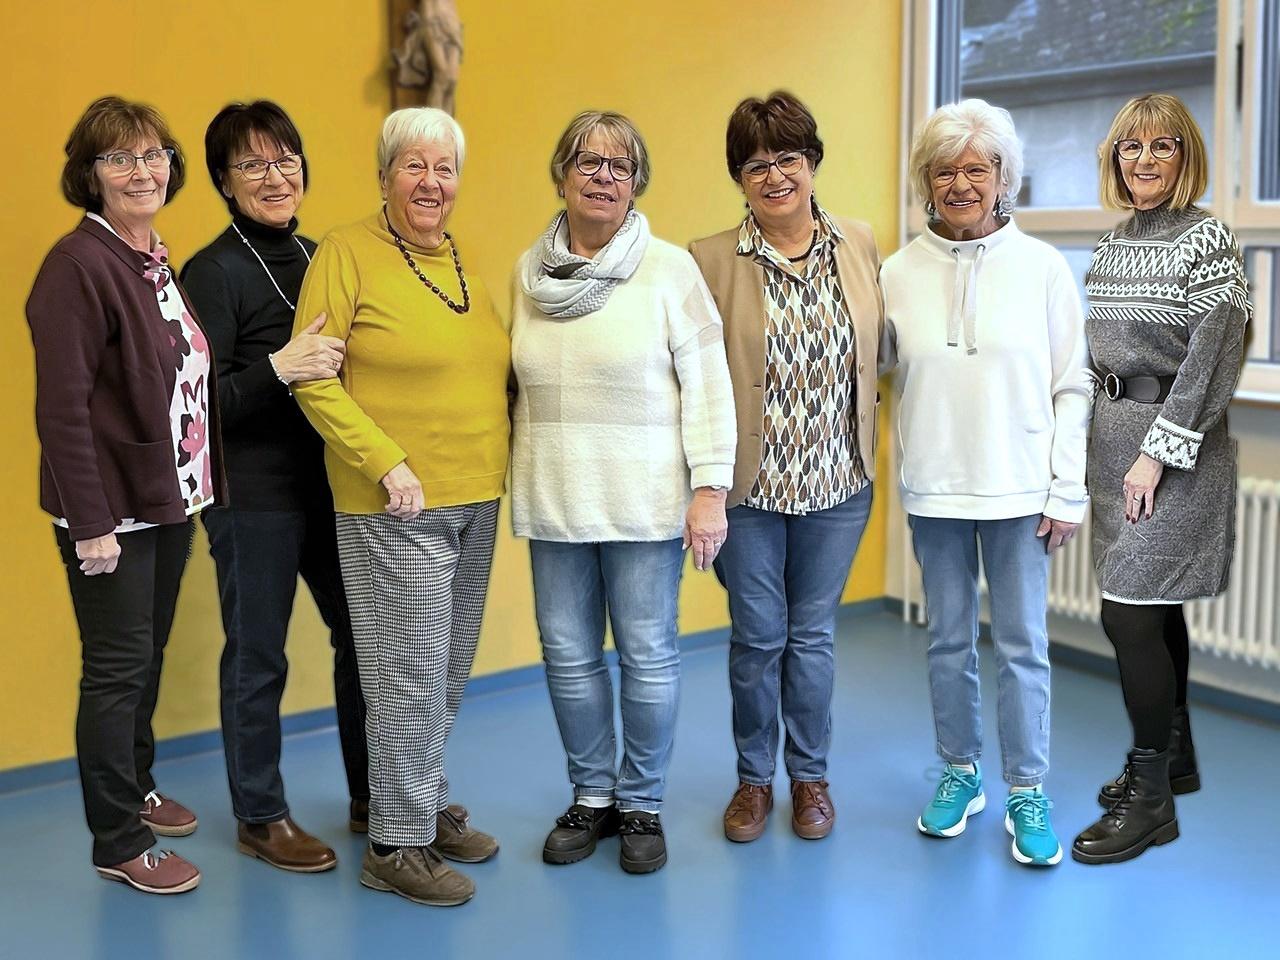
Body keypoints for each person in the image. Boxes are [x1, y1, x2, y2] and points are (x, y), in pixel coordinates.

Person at [291, 107, 510, 906]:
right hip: (394, 504)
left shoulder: (462, 257)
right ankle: (395, 843)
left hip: (475, 493)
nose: (431, 182)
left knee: (444, 674)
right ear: (384, 176)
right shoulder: (343, 254)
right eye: (414, 166)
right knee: (404, 676)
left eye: (444, 168)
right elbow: (313, 378)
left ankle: (416, 803)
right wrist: (387, 463)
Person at [512, 110, 736, 874]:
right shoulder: (528, 275)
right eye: (587, 161)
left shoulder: (669, 270)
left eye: (620, 164)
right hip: (553, 495)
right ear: (561, 175)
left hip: (643, 502)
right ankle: (593, 797)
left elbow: (709, 385)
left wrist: (710, 488)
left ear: (637, 182)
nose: (603, 175)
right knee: (569, 656)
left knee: (646, 654)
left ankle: (642, 802)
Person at [880, 99, 1090, 867]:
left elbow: (1075, 385)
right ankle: (961, 773)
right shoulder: (897, 273)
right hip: (936, 489)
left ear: (1005, 178)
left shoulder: (1043, 270)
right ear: (925, 182)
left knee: (1024, 648)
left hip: (1021, 496)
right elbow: (870, 371)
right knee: (946, 644)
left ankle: (1026, 788)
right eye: (946, 170)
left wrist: (1067, 490)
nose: (962, 183)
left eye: (978, 168)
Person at [26, 96, 226, 894]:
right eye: (119, 159)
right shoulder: (77, 266)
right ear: (90, 174)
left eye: (152, 156)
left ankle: (135, 787)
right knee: (114, 670)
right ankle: (116, 839)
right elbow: (62, 407)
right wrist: (91, 523)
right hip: (111, 511)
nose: (140, 171)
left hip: (169, 499)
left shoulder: (150, 257)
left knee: (143, 659)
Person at [180, 100, 369, 874]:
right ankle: (260, 815)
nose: (274, 176)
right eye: (252, 164)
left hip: (330, 487)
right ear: (225, 182)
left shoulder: (323, 256)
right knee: (259, 657)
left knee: (364, 642)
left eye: (285, 158)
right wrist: (277, 369)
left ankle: (376, 795)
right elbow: (194, 408)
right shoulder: (212, 270)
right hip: (249, 495)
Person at [689, 91, 881, 844]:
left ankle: (810, 780)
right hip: (751, 494)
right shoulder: (709, 261)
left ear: (813, 162)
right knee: (758, 638)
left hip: (839, 485)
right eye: (756, 164)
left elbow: (880, 351)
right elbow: (697, 383)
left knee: (813, 638)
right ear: (739, 178)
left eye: (788, 158)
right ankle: (751, 781)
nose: (775, 176)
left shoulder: (860, 243)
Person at [1072, 94, 1250, 866]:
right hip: (1111, 446)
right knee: (1151, 605)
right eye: (1130, 147)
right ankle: (1174, 758)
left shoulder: (1205, 237)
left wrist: (1159, 451)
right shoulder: (1112, 245)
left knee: (1128, 616)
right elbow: (1100, 356)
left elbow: (1217, 349)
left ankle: (1151, 800)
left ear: (1187, 159)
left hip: (1172, 452)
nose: (1143, 160)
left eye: (1163, 146)